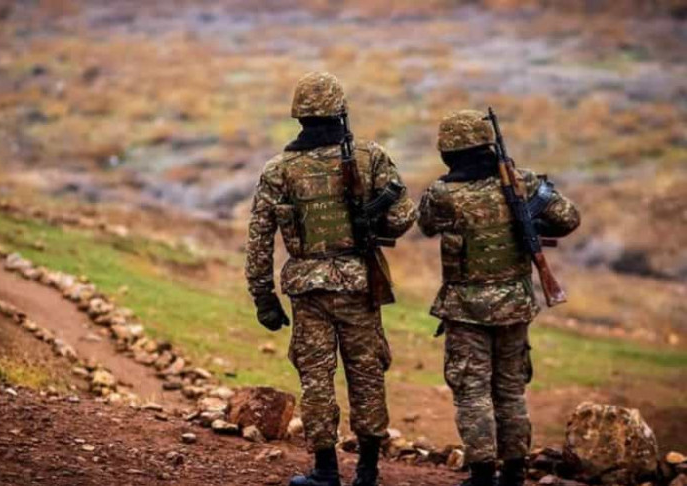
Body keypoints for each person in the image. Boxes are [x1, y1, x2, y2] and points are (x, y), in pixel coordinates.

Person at [245, 72, 416, 486]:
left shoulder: (279, 169)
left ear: (299, 114)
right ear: (341, 110)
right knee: (367, 373)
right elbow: (403, 216)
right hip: (359, 285)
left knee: (316, 378)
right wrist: (371, 225)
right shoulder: (371, 156)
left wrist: (264, 297)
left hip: (308, 290)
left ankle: (325, 471)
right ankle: (368, 471)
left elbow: (259, 238)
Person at [417, 110, 581, 486]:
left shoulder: (442, 193)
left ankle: (481, 475)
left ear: (449, 150)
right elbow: (569, 218)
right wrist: (525, 222)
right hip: (514, 306)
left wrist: (524, 224)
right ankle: (513, 472)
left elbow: (425, 224)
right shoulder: (522, 182)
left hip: (465, 309)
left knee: (471, 392)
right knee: (510, 391)